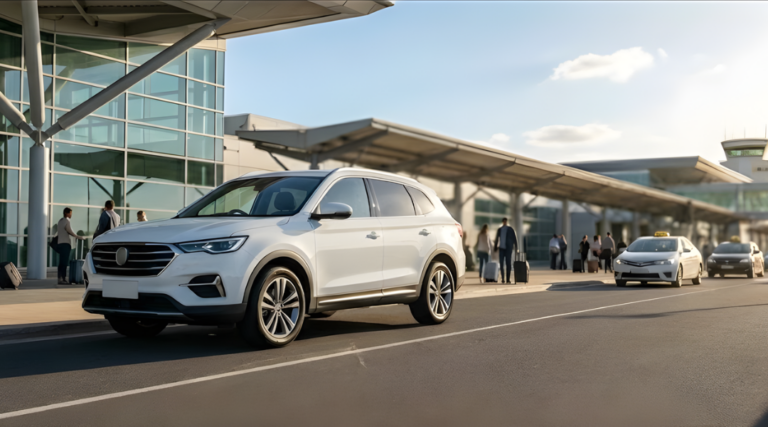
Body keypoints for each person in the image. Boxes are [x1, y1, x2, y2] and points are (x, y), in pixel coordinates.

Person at [54, 207, 86, 285]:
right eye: (70, 213)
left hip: (60, 243)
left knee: (61, 262)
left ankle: (60, 278)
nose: (71, 215)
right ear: (67, 213)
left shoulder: (60, 221)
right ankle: (63, 279)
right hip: (65, 244)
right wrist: (79, 237)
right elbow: (70, 231)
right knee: (64, 262)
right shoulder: (67, 221)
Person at [494, 218, 518, 284]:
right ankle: (503, 279)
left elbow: (514, 238)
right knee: (501, 264)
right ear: (502, 222)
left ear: (507, 222)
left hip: (508, 248)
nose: (505, 222)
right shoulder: (500, 229)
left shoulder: (510, 229)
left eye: (505, 221)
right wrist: (495, 247)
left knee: (508, 263)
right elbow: (497, 238)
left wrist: (516, 247)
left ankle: (508, 279)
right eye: (504, 221)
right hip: (501, 248)